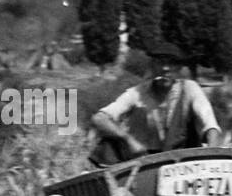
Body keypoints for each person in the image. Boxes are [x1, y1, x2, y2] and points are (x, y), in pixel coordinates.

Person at [88, 43, 222, 165]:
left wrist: (211, 156)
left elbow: (210, 125)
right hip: (148, 159)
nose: (165, 68)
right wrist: (128, 139)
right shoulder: (138, 92)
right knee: (109, 144)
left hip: (184, 160)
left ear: (179, 68)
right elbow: (99, 118)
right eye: (160, 63)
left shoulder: (190, 89)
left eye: (172, 63)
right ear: (152, 66)